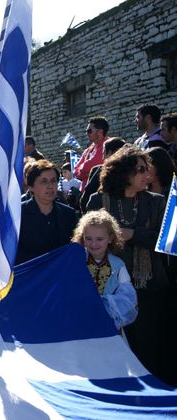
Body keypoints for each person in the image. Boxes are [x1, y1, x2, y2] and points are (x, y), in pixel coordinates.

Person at [86, 145, 170, 382]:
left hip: (149, 287)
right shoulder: (98, 201)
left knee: (147, 347)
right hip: (107, 289)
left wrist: (133, 234)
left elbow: (164, 241)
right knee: (112, 348)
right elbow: (85, 238)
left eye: (148, 169)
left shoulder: (156, 202)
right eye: (141, 170)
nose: (148, 175)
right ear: (123, 173)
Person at [71, 210, 137, 330]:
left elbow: (128, 298)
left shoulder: (118, 265)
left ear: (110, 238)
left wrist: (106, 304)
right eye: (88, 238)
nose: (94, 244)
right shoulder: (76, 262)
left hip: (107, 323)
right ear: (82, 237)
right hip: (77, 321)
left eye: (100, 239)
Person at [16, 160, 77, 264]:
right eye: (44, 181)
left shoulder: (68, 214)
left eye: (53, 181)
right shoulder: (18, 215)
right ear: (31, 187)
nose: (50, 186)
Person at [79, 138, 126, 213]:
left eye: (104, 153)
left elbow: (86, 198)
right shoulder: (132, 173)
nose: (102, 157)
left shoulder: (100, 170)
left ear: (109, 153)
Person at [74, 116, 109, 191]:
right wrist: (85, 172)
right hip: (84, 193)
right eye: (86, 131)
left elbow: (86, 167)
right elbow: (76, 171)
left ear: (100, 132)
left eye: (89, 131)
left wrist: (83, 172)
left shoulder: (107, 146)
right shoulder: (88, 150)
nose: (87, 134)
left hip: (98, 193)